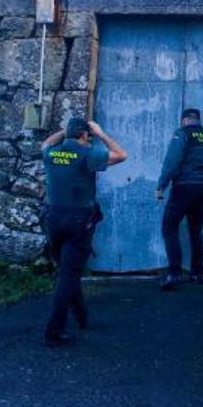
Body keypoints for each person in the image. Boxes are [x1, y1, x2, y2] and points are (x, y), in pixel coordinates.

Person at [40, 117, 127, 347]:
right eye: (88, 135)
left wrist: (65, 131)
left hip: (53, 218)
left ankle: (81, 316)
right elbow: (121, 155)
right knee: (68, 275)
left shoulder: (52, 153)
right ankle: (54, 332)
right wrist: (101, 133)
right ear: (84, 135)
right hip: (78, 221)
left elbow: (45, 143)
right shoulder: (87, 154)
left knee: (68, 269)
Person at [156, 108, 203, 291]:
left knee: (169, 226)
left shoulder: (181, 134)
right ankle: (197, 273)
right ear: (197, 119)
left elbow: (172, 160)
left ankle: (174, 273)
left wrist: (161, 185)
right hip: (202, 187)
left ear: (183, 121)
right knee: (195, 230)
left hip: (184, 187)